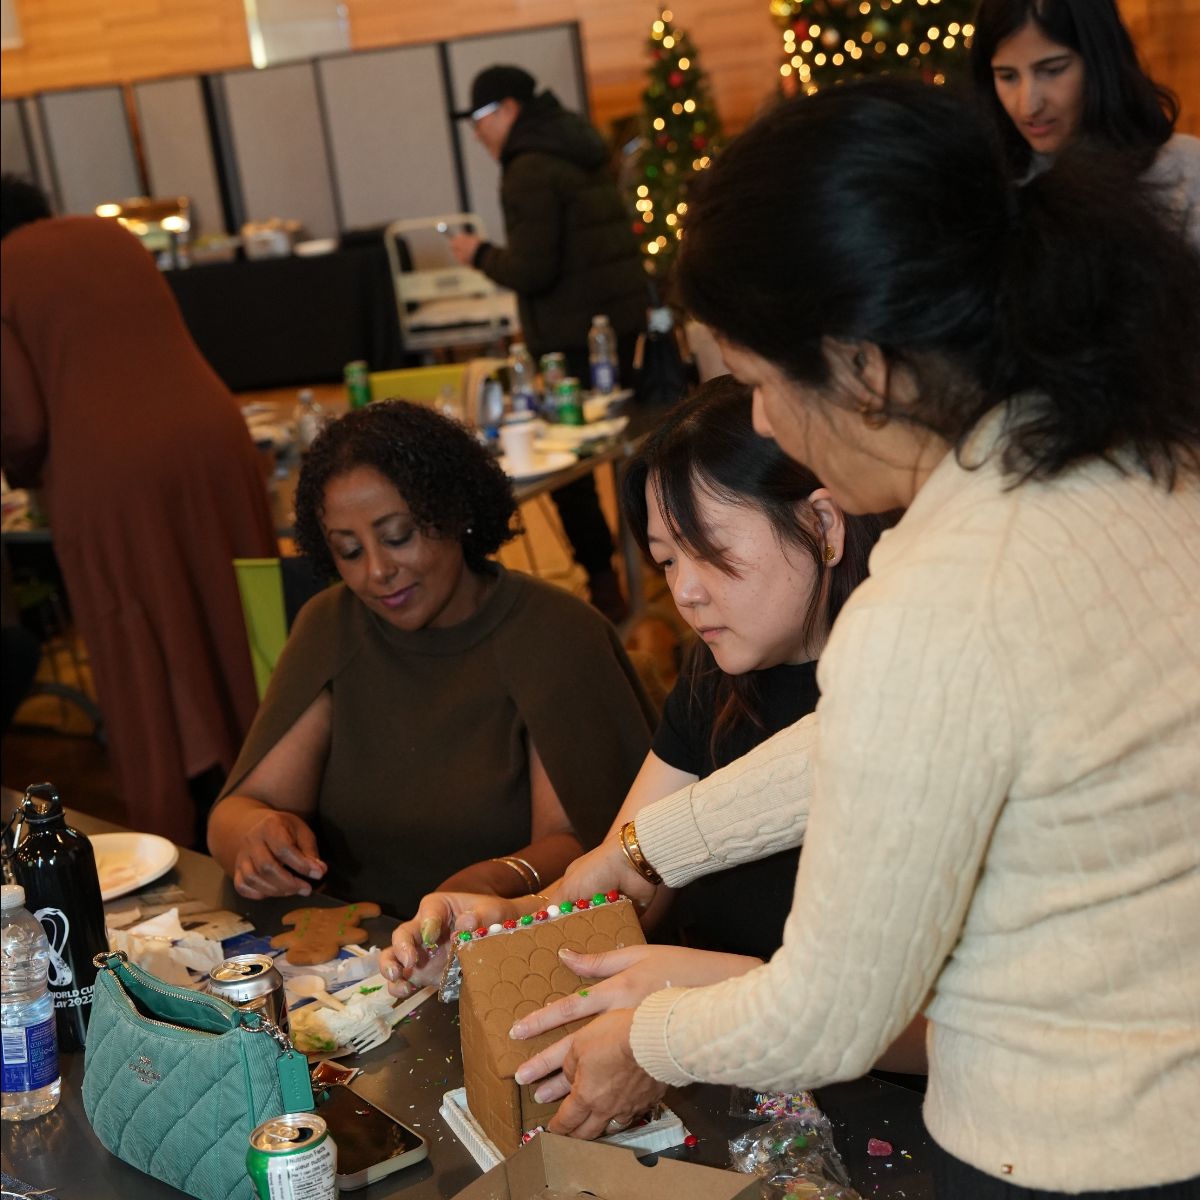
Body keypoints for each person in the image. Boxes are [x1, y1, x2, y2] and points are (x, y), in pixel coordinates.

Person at [501, 80, 1200, 1198]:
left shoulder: (941, 597)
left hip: (1078, 1154)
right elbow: (886, 738)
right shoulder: (1123, 456)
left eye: (760, 384)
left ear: (864, 366)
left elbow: (830, 1014)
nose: (761, 421)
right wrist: (648, 849)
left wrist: (649, 1034)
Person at [383, 375, 891, 977]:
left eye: (709, 548)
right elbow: (622, 886)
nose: (684, 592)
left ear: (822, 525)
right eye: (667, 560)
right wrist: (505, 923)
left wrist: (709, 985)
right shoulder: (717, 676)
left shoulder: (912, 688)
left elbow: (908, 1007)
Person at [207, 400, 656, 917]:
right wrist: (257, 835)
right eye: (349, 551)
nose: (377, 571)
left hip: (515, 940)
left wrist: (495, 880)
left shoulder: (554, 633)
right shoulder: (332, 625)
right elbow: (233, 815)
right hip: (358, 949)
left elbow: (585, 843)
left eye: (397, 537)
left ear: (454, 514)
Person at [1, 178, 278, 847]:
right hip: (216, 439)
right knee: (244, 615)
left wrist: (21, 472)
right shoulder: (113, 237)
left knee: (142, 636)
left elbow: (23, 423)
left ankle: (185, 829)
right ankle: (286, 784)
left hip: (109, 468)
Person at [450, 65, 649, 622]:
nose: (478, 133)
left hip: (569, 342)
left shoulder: (528, 168)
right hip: (615, 328)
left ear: (510, 109)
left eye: (481, 119)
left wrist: (479, 254)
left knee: (568, 465)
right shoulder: (576, 146)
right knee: (626, 450)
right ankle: (662, 561)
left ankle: (606, 587)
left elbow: (533, 269)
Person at [971, 0, 1200, 247]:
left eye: (1053, 70)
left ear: (1100, 64)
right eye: (1007, 76)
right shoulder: (989, 184)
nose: (1029, 106)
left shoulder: (1184, 173)